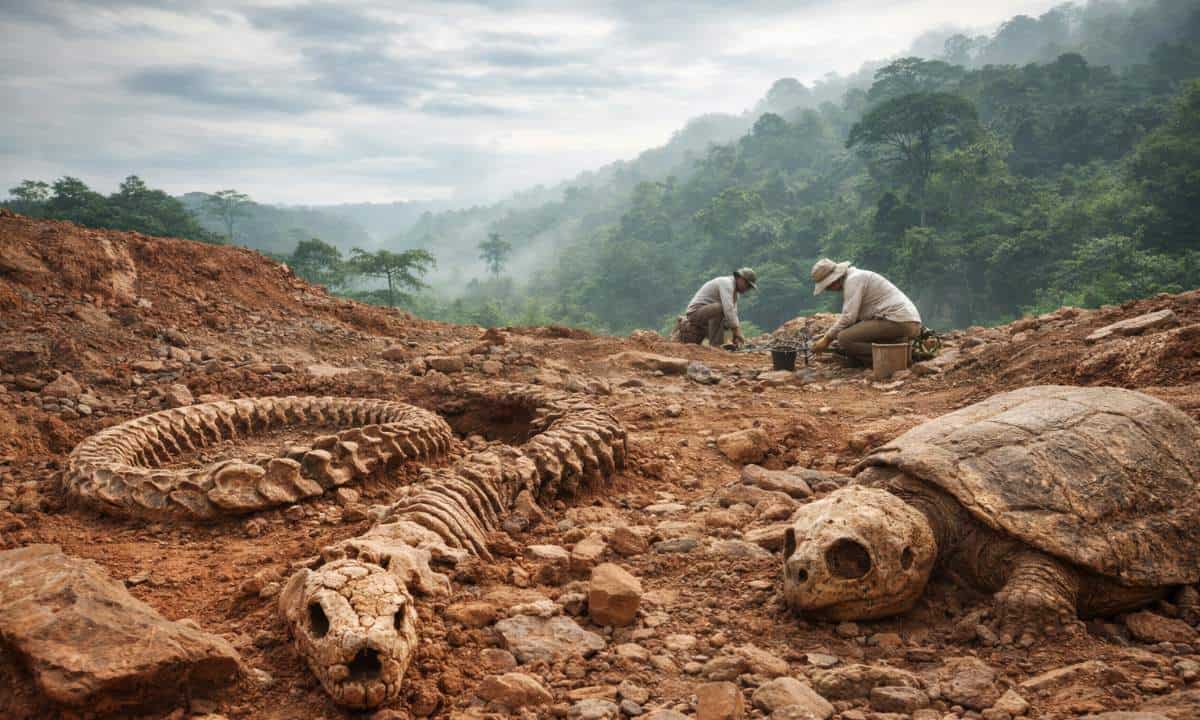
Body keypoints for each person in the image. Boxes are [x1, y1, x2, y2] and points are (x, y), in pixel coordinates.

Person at [809, 258, 921, 363]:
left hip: (899, 321)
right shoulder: (856, 277)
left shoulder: (853, 280)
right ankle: (897, 347)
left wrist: (827, 339)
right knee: (850, 335)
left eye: (827, 287)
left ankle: (898, 357)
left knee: (844, 338)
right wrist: (827, 335)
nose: (829, 290)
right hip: (906, 321)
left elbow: (848, 317)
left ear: (833, 281)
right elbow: (855, 319)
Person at [676, 268, 758, 347]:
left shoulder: (735, 294)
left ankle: (719, 344)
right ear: (740, 279)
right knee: (722, 309)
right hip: (695, 313)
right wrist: (737, 332)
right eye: (747, 285)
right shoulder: (727, 283)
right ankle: (716, 345)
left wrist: (735, 335)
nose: (747, 289)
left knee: (727, 323)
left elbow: (733, 315)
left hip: (707, 318)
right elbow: (728, 309)